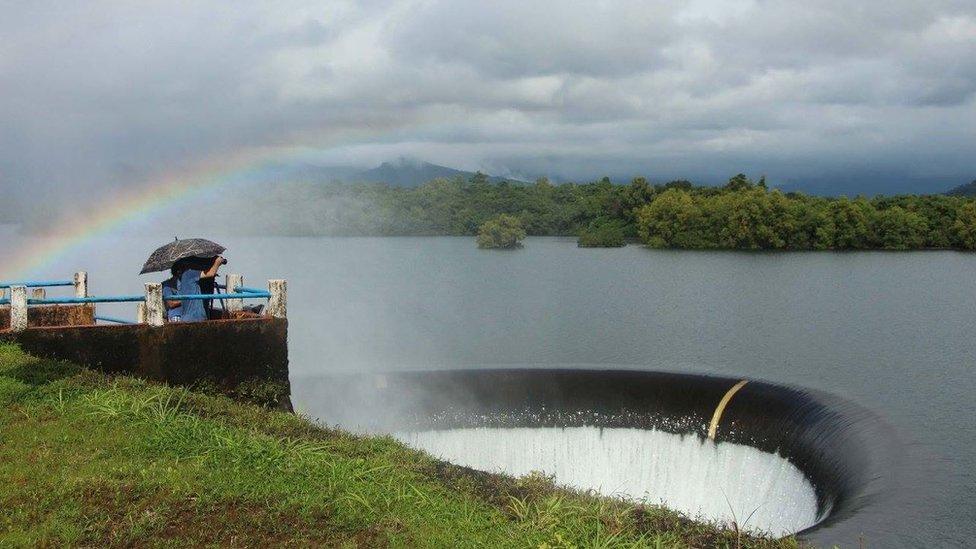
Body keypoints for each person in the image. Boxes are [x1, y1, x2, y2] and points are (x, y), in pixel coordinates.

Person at [172, 255, 225, 322]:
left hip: (187, 317)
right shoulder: (189, 273)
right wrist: (217, 262)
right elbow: (211, 273)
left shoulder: (181, 279)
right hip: (195, 317)